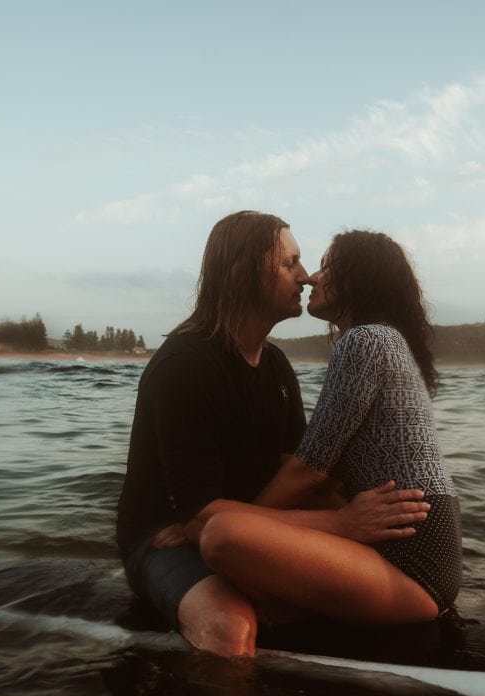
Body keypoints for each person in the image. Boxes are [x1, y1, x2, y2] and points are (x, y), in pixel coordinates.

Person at [117, 212, 430, 657]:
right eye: (290, 264)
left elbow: (299, 472)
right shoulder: (185, 366)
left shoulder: (277, 366)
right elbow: (201, 518)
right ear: (243, 272)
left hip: (243, 529)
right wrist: (342, 525)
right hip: (164, 538)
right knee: (230, 627)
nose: (304, 278)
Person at [189, 229, 462, 635]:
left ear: (357, 278)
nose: (312, 278)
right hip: (411, 551)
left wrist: (229, 521)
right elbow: (317, 470)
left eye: (326, 267)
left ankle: (296, 603)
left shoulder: (365, 340)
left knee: (222, 536)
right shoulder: (384, 339)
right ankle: (302, 605)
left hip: (411, 568)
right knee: (270, 508)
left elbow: (308, 469)